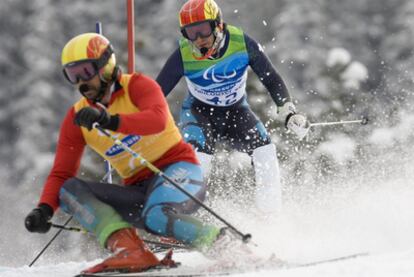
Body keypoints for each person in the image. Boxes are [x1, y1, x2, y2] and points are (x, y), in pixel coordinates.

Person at [24, 33, 236, 274]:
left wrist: (110, 120)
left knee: (156, 215)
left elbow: (156, 119)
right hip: (138, 191)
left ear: (106, 65)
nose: (81, 82)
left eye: (85, 71)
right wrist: (44, 209)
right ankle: (130, 251)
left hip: (179, 172)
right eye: (72, 75)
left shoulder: (137, 86)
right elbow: (61, 173)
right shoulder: (78, 117)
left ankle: (225, 246)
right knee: (69, 190)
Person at [156, 0, 309, 213]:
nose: (199, 39)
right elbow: (156, 92)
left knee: (265, 152)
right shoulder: (184, 54)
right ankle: (179, 218)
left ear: (218, 24)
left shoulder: (242, 43)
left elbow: (271, 78)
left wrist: (288, 112)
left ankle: (270, 217)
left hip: (236, 112)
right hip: (199, 113)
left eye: (203, 29)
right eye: (191, 33)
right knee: (199, 160)